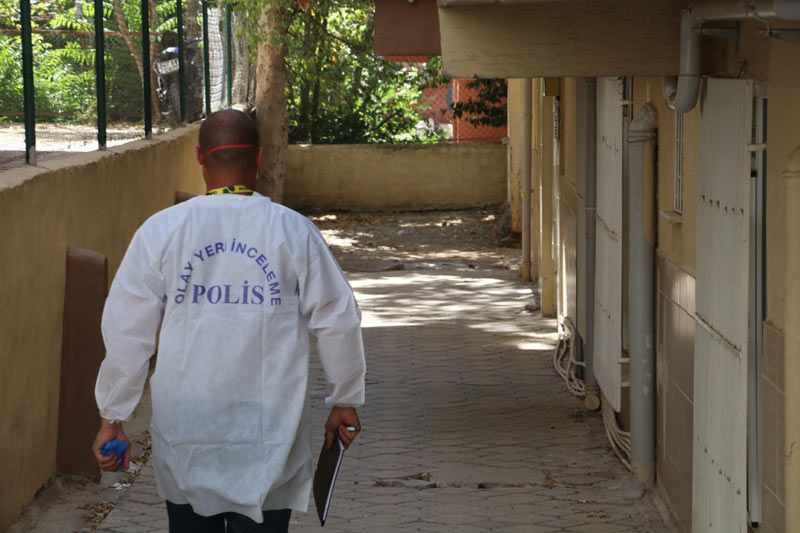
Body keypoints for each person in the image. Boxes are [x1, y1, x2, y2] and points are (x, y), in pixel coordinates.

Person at [92, 109, 366, 533]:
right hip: (269, 431)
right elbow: (336, 317)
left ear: (200, 157)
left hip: (187, 430)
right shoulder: (293, 231)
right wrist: (344, 399)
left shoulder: (161, 231)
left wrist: (113, 417)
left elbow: (128, 328)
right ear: (258, 158)